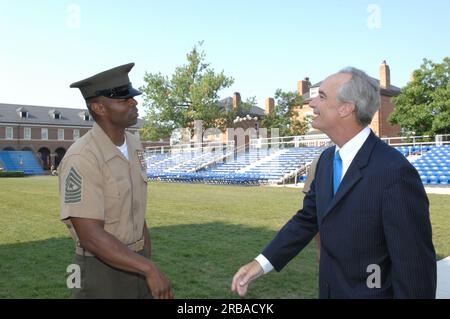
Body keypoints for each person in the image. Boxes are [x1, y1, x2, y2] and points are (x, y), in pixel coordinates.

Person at [231, 67, 437, 299]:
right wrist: (260, 264)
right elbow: (307, 219)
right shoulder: (327, 160)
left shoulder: (394, 172)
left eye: (322, 96)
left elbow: (415, 268)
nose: (311, 103)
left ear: (346, 108)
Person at [59, 63, 173, 299]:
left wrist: (144, 257)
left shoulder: (134, 144)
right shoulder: (83, 157)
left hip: (137, 261)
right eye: (124, 99)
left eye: (132, 97)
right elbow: (90, 236)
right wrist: (148, 268)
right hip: (100, 269)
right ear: (99, 107)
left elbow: (135, 208)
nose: (134, 102)